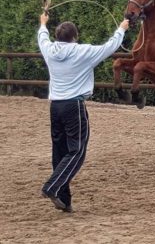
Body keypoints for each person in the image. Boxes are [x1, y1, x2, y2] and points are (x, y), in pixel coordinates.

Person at [38, 12, 129, 212]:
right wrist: (121, 28)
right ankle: (51, 188)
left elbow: (42, 37)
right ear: (75, 36)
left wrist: (43, 23)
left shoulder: (49, 49)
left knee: (60, 152)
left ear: (57, 36)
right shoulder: (83, 52)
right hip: (74, 107)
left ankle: (65, 201)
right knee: (77, 151)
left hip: (55, 107)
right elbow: (109, 47)